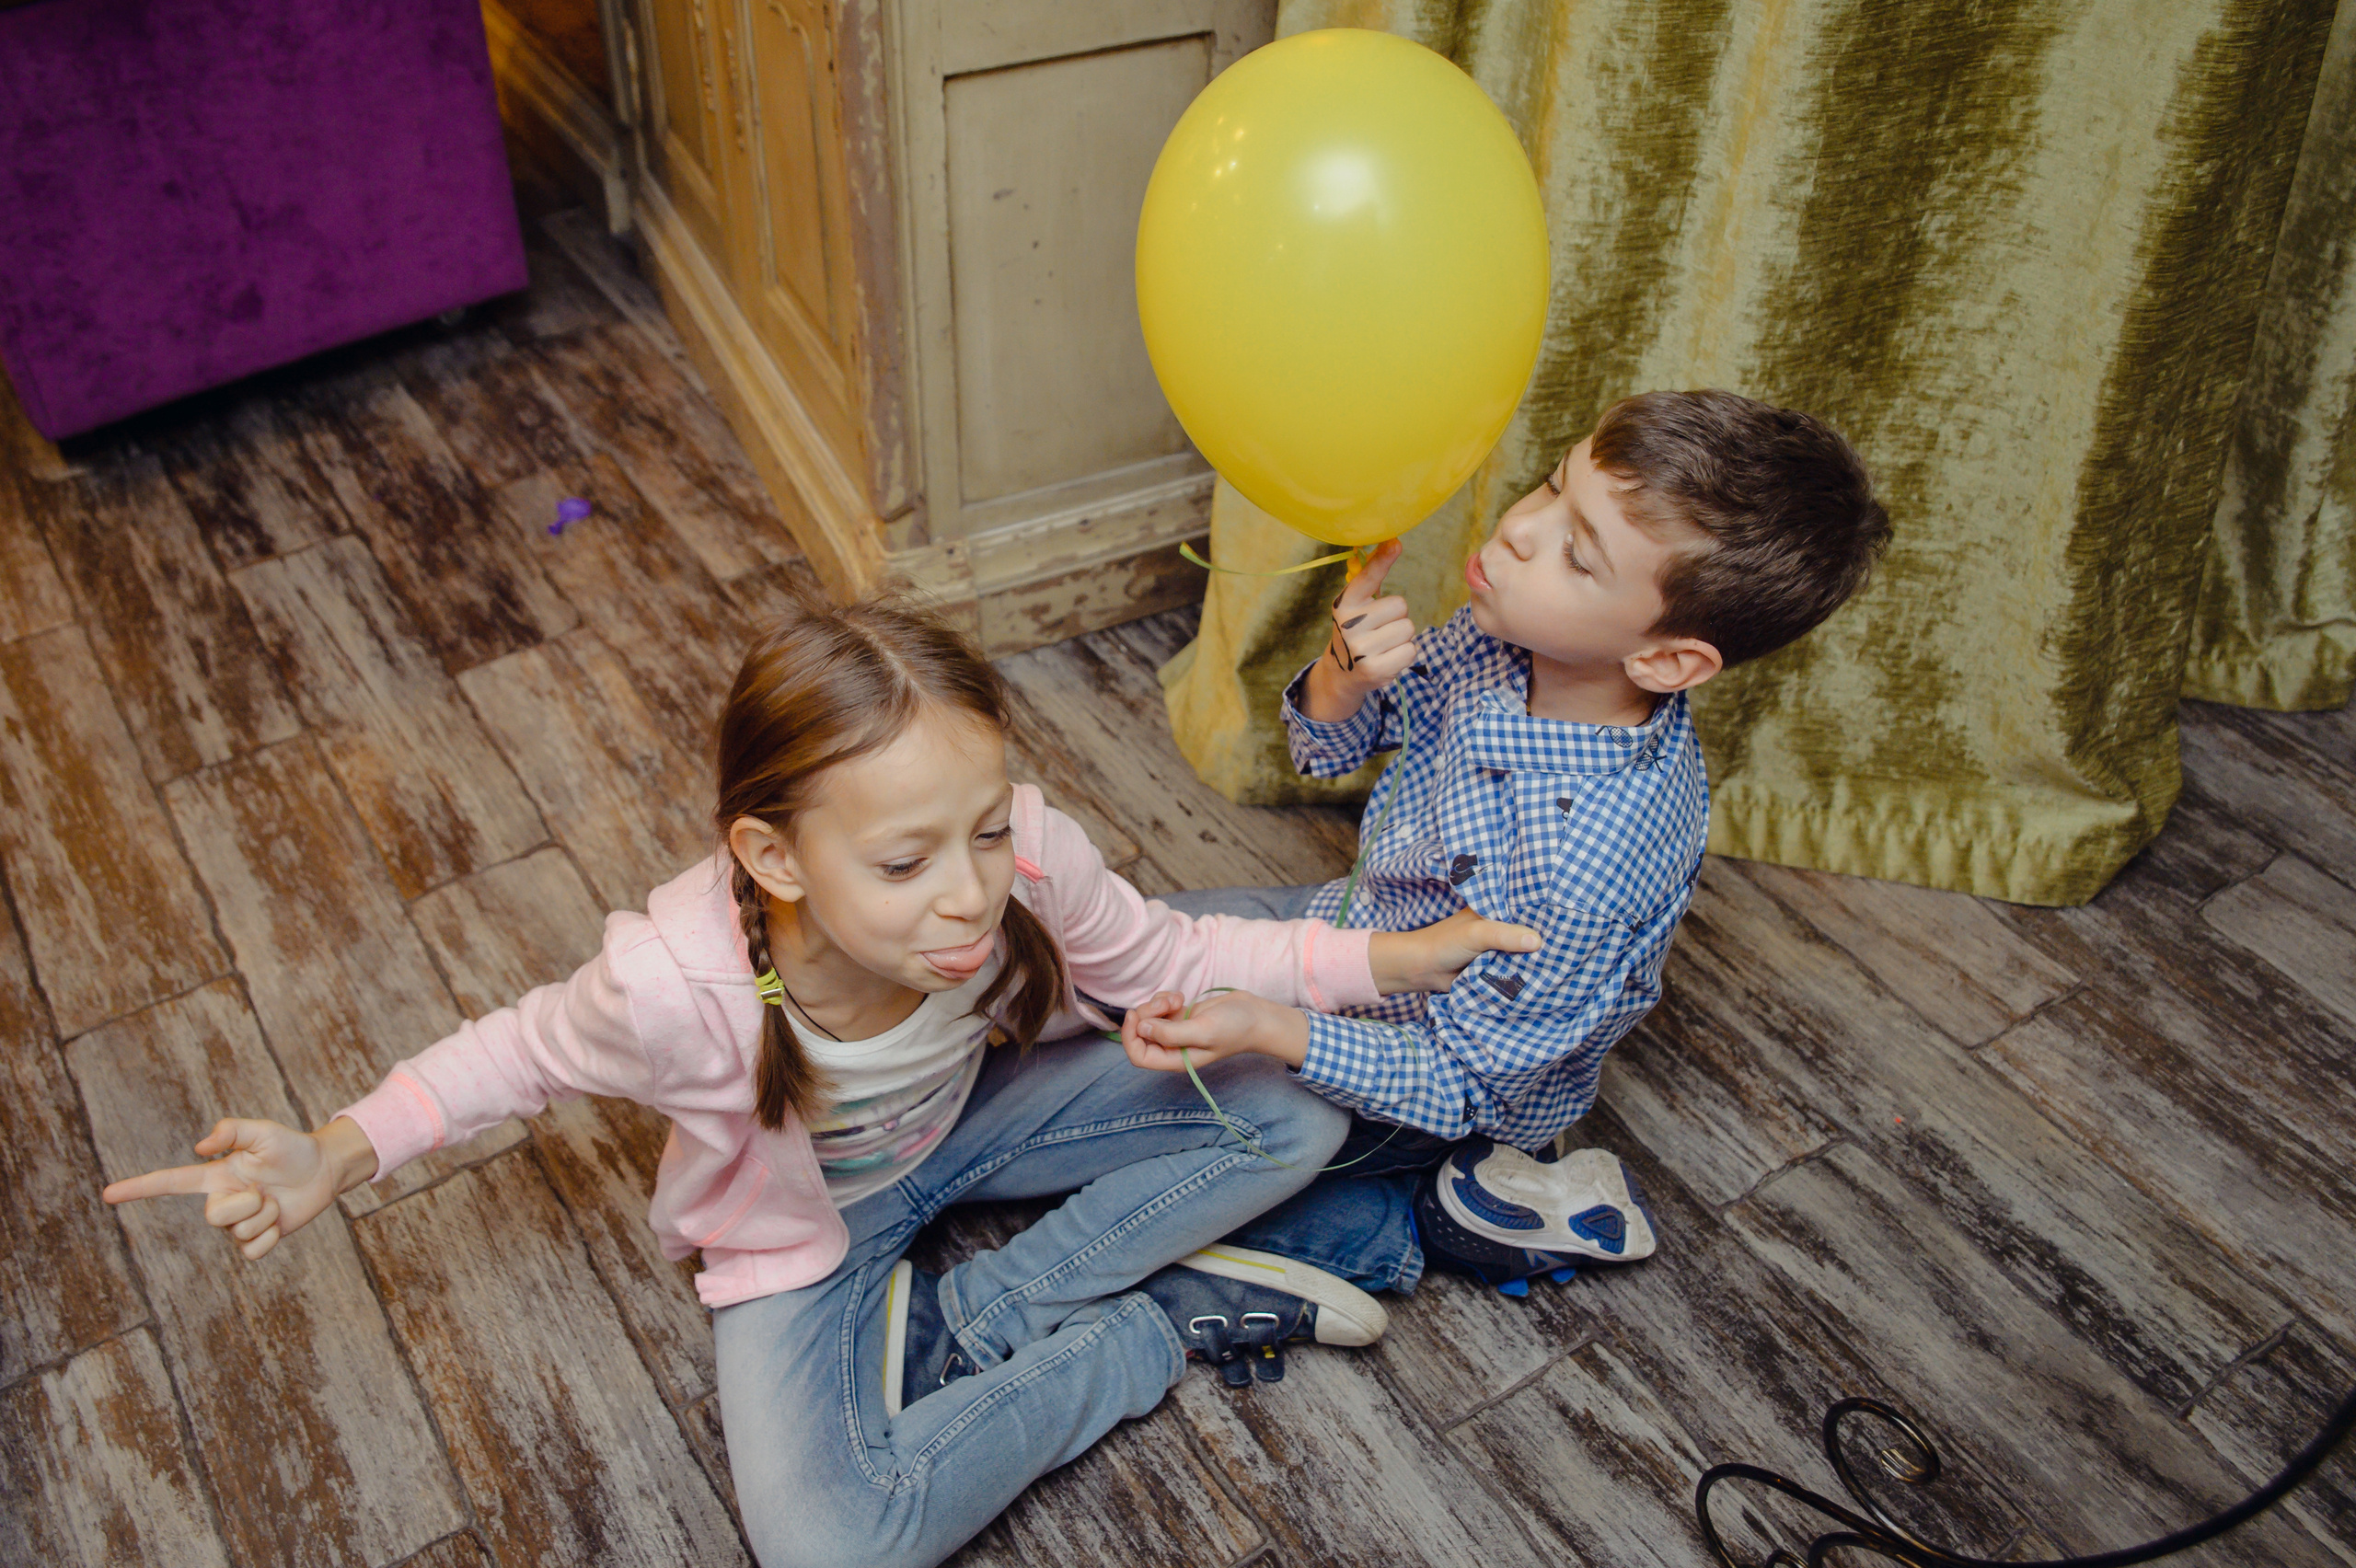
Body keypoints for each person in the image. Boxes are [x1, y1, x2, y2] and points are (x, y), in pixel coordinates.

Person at [101, 591, 1536, 1568]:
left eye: (983, 831)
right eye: (906, 862)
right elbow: (518, 1052)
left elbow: (1177, 950)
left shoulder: (1026, 855)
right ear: (775, 859)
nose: (972, 895)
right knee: (832, 1546)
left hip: (979, 1121)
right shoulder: (675, 988)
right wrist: (336, 1150)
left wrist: (1385, 965)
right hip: (812, 1237)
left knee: (1289, 1100)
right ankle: (1145, 1330)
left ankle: (991, 1309)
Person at [1120, 389, 1893, 1294]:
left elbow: (1462, 1083)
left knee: (1180, 1131)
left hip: (1424, 1080)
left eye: (1576, 552)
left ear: (1667, 660)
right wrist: (1341, 675)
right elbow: (1331, 745)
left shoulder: (1587, 863)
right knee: (1141, 947)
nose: (1521, 530)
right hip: (1360, 931)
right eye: (1550, 487)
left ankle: (1390, 1233)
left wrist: (1274, 1025)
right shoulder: (1509, 642)